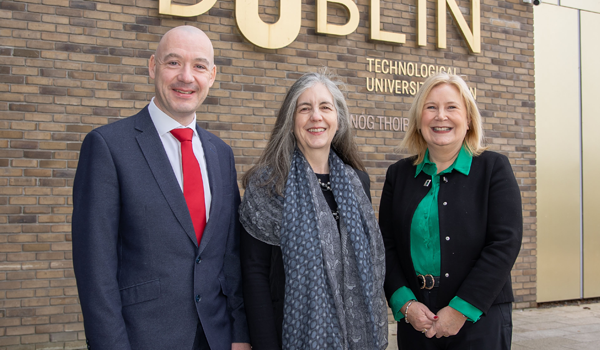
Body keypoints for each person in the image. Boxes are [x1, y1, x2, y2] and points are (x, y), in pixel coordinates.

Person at [72, 26, 250, 350]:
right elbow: (95, 272)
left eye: (198, 66)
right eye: (173, 63)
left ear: (212, 75)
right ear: (153, 66)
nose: (186, 77)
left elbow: (230, 256)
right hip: (144, 339)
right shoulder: (108, 147)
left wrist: (239, 334)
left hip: (217, 338)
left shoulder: (221, 153)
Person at [238, 72, 388, 350]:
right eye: (304, 108)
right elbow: (254, 274)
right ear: (290, 120)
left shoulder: (358, 183)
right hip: (285, 336)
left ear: (338, 120)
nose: (315, 117)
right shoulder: (267, 185)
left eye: (325, 107)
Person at [379, 73, 523, 350]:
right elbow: (385, 246)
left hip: (480, 318)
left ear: (468, 119)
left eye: (452, 107)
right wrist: (404, 303)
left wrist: (461, 309)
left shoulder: (493, 168)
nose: (440, 116)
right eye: (431, 107)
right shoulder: (398, 175)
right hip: (416, 320)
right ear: (419, 120)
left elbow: (504, 243)